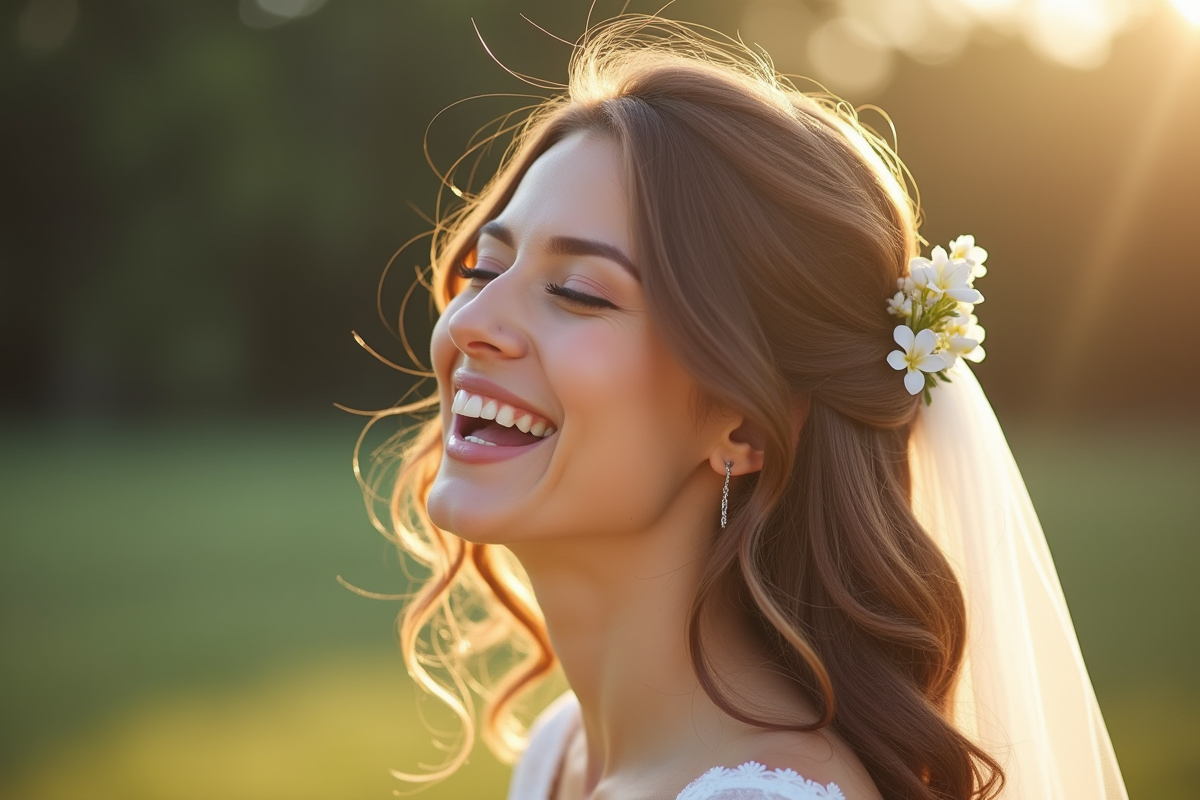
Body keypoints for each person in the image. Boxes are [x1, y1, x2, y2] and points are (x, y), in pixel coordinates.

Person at [358, 16, 1129, 800]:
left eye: (578, 292)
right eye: (486, 269)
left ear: (745, 424)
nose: (472, 322)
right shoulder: (558, 755)